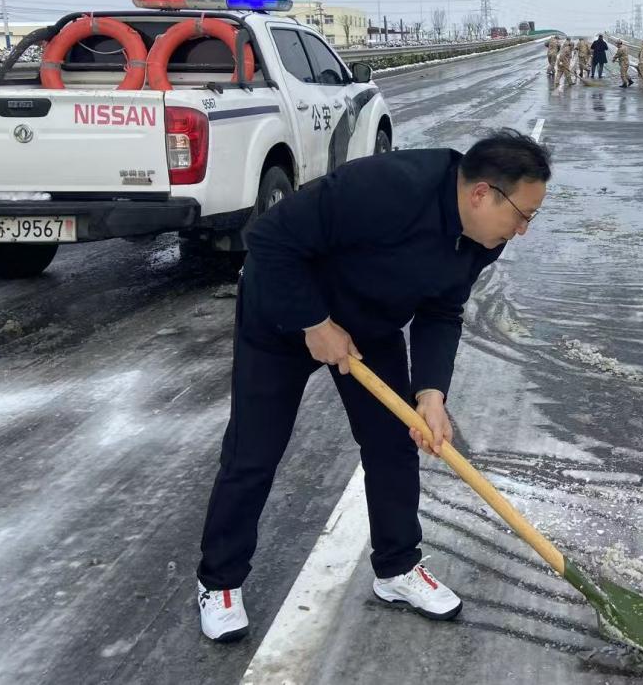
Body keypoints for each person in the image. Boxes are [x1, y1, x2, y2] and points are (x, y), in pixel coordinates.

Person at [195, 131, 552, 641]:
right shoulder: (388, 186)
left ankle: (397, 567)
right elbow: (270, 239)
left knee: (393, 447)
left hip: (371, 327)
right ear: (481, 194)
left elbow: (441, 309)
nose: (522, 231)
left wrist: (431, 394)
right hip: (282, 314)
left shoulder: (482, 239)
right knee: (254, 452)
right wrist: (314, 323)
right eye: (523, 215)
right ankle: (219, 580)